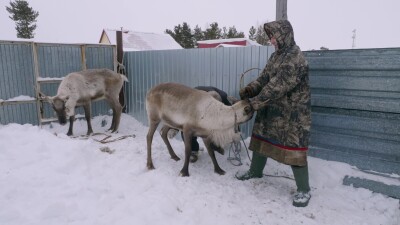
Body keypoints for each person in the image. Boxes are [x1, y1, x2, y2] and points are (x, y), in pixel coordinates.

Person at [236, 20, 312, 207]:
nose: (271, 40)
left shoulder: (295, 58)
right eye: (270, 37)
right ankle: (255, 171)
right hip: (272, 109)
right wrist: (251, 89)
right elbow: (264, 79)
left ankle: (304, 190)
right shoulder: (277, 56)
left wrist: (254, 103)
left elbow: (277, 87)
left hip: (291, 114)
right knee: (261, 137)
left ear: (284, 35)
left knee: (294, 149)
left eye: (273, 36)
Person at [181, 86, 233, 163]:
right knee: (188, 128)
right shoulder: (192, 100)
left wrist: (234, 131)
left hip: (214, 99)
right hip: (196, 107)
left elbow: (232, 114)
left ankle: (215, 144)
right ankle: (193, 150)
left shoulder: (223, 96)